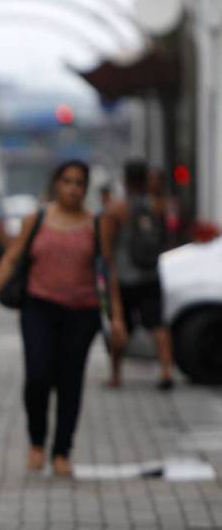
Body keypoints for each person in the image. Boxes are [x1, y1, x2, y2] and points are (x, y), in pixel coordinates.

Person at [0, 160, 127, 478]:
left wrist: (115, 316)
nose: (73, 189)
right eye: (67, 182)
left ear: (85, 189)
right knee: (38, 375)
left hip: (82, 311)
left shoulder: (96, 224)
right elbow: (12, 257)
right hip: (39, 307)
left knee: (70, 380)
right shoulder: (38, 218)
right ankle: (36, 441)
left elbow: (106, 270)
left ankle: (62, 450)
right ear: (56, 184)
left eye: (79, 183)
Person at [104, 160, 175, 390]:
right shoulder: (158, 205)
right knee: (158, 325)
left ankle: (116, 375)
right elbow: (167, 236)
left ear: (125, 179)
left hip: (123, 277)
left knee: (120, 324)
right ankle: (166, 371)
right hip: (150, 273)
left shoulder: (116, 208)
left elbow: (106, 247)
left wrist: (107, 270)